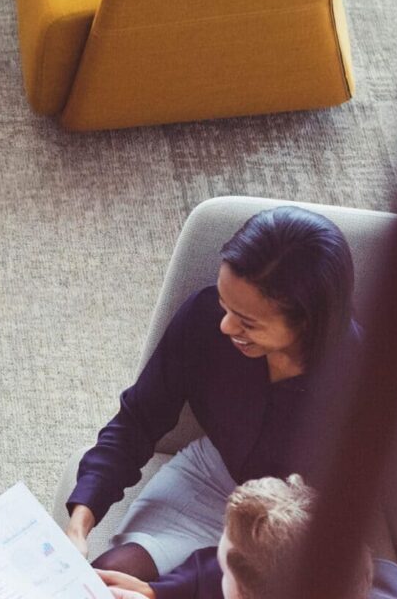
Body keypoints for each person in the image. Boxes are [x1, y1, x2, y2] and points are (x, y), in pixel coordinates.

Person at [65, 206, 360, 584]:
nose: (224, 325)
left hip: (291, 527)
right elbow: (137, 420)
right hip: (211, 475)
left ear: (307, 321)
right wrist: (81, 521)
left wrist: (167, 590)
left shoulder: (357, 388)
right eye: (225, 306)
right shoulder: (204, 319)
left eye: (247, 322)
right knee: (107, 579)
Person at [98, 475, 397, 599]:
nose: (216, 566)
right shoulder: (378, 575)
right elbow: (209, 569)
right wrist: (155, 593)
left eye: (228, 573)